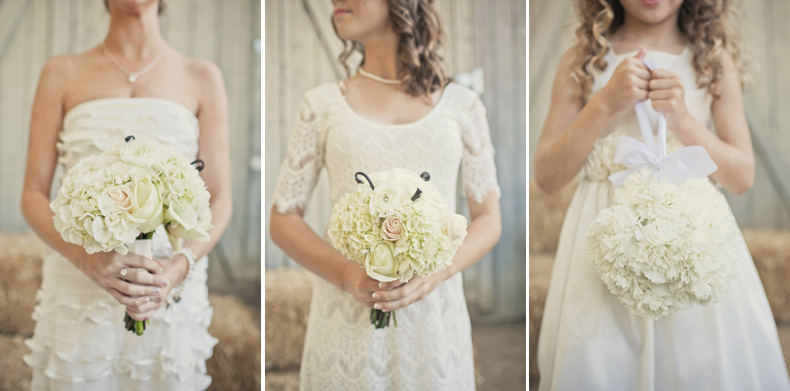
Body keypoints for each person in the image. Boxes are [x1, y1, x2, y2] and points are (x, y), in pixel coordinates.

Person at [534, 0, 790, 390]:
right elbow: (548, 175)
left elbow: (741, 177)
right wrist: (604, 103)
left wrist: (682, 119)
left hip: (692, 239)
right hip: (601, 242)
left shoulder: (712, 60)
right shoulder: (584, 59)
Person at [269, 0, 502, 389]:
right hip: (346, 321)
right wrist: (348, 276)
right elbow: (282, 219)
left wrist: (438, 273)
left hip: (433, 324)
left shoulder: (462, 105)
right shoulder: (322, 105)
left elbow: (488, 219)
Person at [19, 0, 232, 389]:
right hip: (77, 286)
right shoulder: (60, 72)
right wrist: (87, 261)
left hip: (165, 288)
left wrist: (179, 268)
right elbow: (33, 193)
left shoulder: (202, 76)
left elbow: (220, 198)